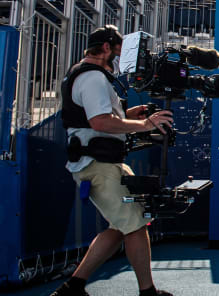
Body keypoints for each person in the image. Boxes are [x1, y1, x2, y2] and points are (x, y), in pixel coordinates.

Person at [51, 25, 175, 296]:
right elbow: (100, 122)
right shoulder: (93, 78)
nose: (120, 58)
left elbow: (94, 117)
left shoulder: (81, 75)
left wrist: (131, 113)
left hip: (101, 163)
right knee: (135, 222)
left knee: (120, 226)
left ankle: (73, 286)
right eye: (117, 51)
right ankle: (148, 292)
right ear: (106, 48)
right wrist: (145, 124)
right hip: (99, 165)